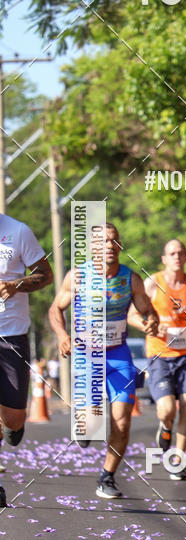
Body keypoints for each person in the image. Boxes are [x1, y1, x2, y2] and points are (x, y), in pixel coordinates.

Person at [49, 222, 158, 498]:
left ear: (120, 246)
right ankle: (84, 422)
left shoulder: (130, 279)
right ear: (93, 248)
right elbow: (56, 309)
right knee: (90, 426)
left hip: (119, 355)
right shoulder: (77, 277)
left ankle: (107, 477)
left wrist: (151, 323)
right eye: (104, 241)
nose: (110, 246)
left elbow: (148, 309)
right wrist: (63, 335)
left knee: (122, 420)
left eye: (114, 241)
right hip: (87, 355)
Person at [134, 239, 186, 480]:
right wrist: (146, 326)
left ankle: (178, 459)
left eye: (181, 253)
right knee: (167, 408)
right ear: (164, 259)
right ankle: (166, 426)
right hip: (160, 354)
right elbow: (132, 315)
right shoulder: (153, 283)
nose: (177, 257)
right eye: (172, 253)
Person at [0, 212, 53, 469]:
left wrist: (15, 285)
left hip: (11, 334)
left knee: (14, 418)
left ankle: (9, 425)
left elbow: (45, 274)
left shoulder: (18, 231)